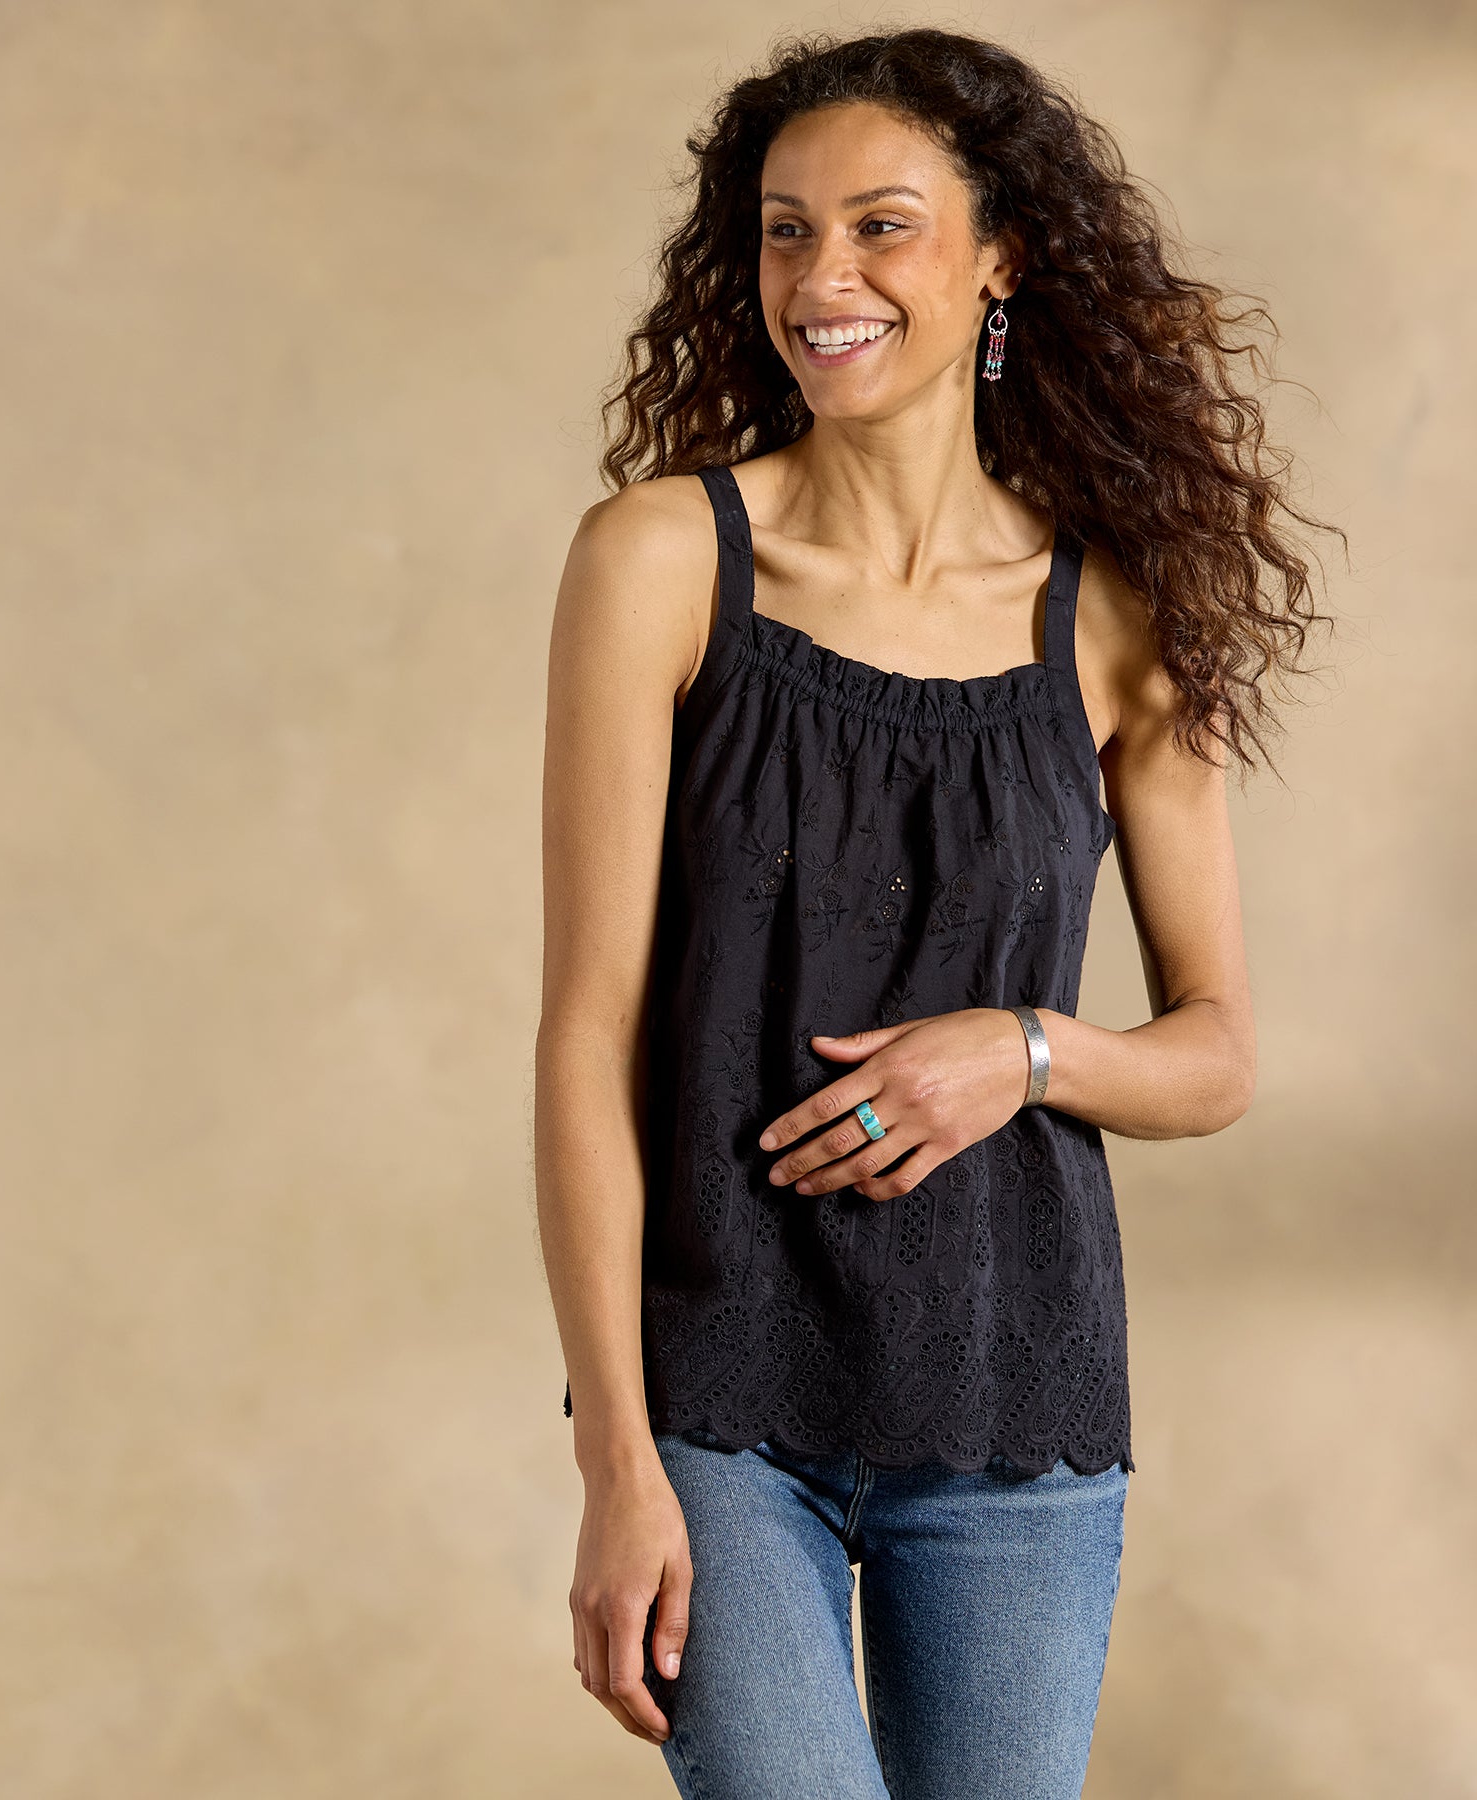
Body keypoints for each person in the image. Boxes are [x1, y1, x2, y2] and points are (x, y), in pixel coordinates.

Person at [533, 27, 1338, 1800]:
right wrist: (613, 1457)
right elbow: (590, 1033)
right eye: (785, 231)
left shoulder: (1116, 616)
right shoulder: (660, 562)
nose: (823, 279)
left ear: (1000, 261)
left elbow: (1216, 1053)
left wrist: (1024, 1053)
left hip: (1011, 1398)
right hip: (715, 1393)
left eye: (881, 227)